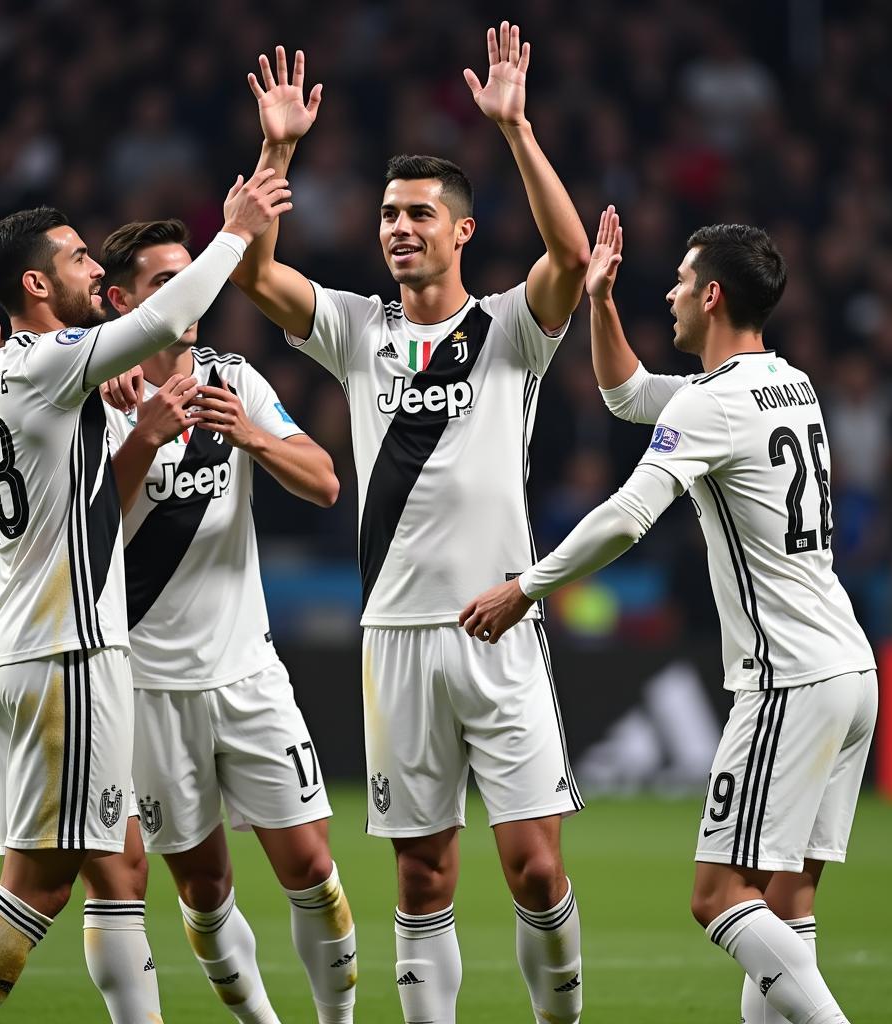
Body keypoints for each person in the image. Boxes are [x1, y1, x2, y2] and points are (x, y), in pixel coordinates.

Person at [232, 26, 590, 1024]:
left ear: (461, 231)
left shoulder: (508, 329)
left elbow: (569, 255)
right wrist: (278, 153)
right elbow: (256, 277)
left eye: (419, 214)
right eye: (389, 213)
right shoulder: (356, 328)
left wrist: (515, 131)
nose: (398, 227)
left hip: (500, 626)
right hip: (395, 634)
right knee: (423, 876)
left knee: (530, 867)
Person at [460, 208, 877, 1024]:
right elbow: (627, 397)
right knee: (782, 906)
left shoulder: (713, 404)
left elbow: (625, 515)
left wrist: (527, 587)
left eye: (682, 281)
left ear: (712, 295)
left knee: (718, 898)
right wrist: (601, 302)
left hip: (788, 679)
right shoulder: (787, 383)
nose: (672, 292)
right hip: (849, 669)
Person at [0, 168, 290, 1024]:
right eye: (76, 258)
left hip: (11, 654)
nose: (93, 268)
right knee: (38, 887)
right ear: (35, 285)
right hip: (71, 654)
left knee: (118, 871)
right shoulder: (59, 362)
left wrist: (3, 411)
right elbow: (166, 319)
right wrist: (234, 231)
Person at [97, 217, 356, 1024]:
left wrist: (249, 434)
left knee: (312, 867)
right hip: (150, 689)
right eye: (163, 283)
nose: (189, 294)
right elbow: (77, 533)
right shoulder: (95, 399)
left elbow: (324, 482)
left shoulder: (234, 380)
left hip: (248, 675)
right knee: (204, 890)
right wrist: (143, 438)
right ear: (119, 301)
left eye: (192, 276)